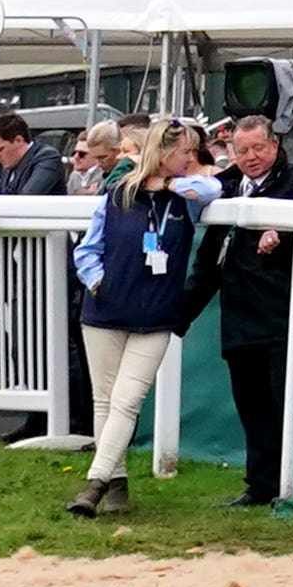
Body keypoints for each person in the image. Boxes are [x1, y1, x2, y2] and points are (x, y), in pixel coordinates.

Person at [67, 133, 204, 520]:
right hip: (106, 310)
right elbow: (87, 249)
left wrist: (171, 182)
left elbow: (210, 186)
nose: (191, 158)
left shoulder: (186, 198)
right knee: (106, 400)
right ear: (162, 153)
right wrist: (98, 283)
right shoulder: (116, 196)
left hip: (157, 316)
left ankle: (94, 483)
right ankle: (117, 479)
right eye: (184, 152)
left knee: (128, 400)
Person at [181, 111, 293, 506]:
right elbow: (207, 263)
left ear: (275, 145)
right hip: (238, 317)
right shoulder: (222, 187)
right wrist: (177, 315)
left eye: (258, 147)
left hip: (281, 316)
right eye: (242, 150)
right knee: (252, 406)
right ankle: (260, 486)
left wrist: (283, 231)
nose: (251, 156)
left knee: (284, 405)